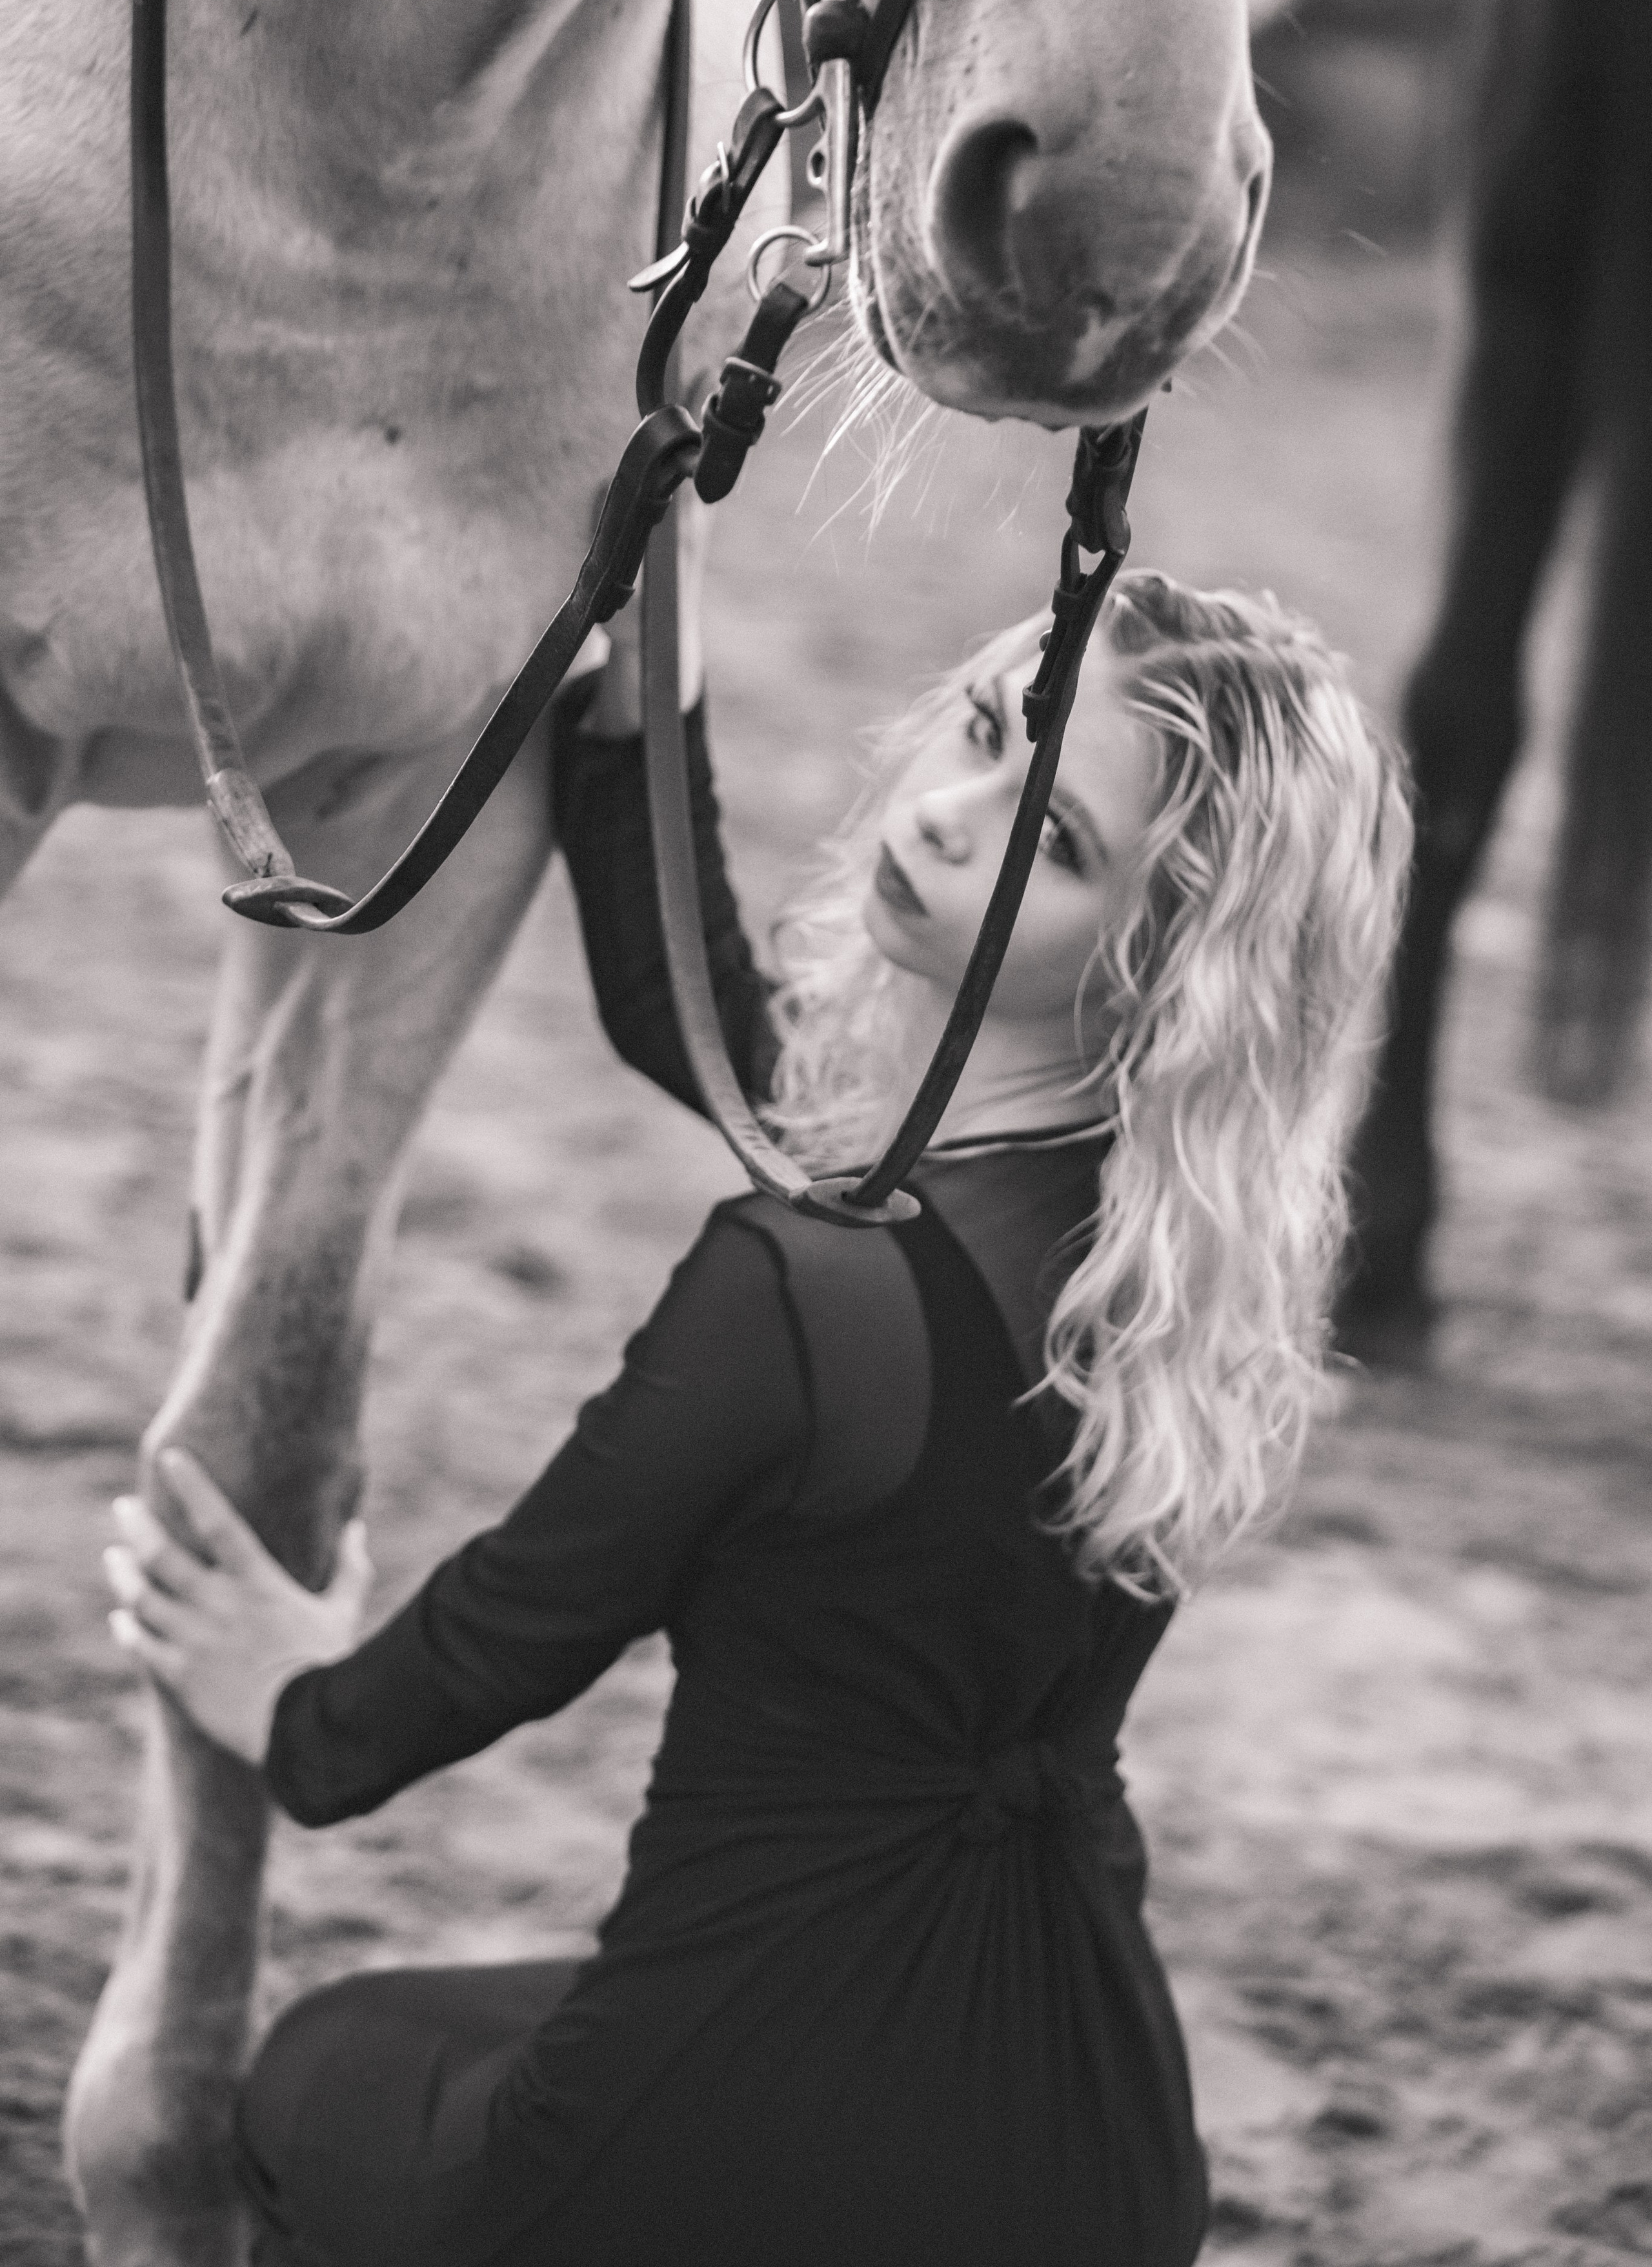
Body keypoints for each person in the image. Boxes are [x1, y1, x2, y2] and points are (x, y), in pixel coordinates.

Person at [104, 571, 1411, 2267]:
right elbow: (711, 1033)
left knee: (312, 2080)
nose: (950, 817)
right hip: (1087, 2151)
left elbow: (497, 1645)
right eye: (986, 731)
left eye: (1058, 842)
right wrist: (646, 684)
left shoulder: (803, 1291)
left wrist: (291, 1696)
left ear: (1155, 970)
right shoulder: (1158, 1278)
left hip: (732, 2156)